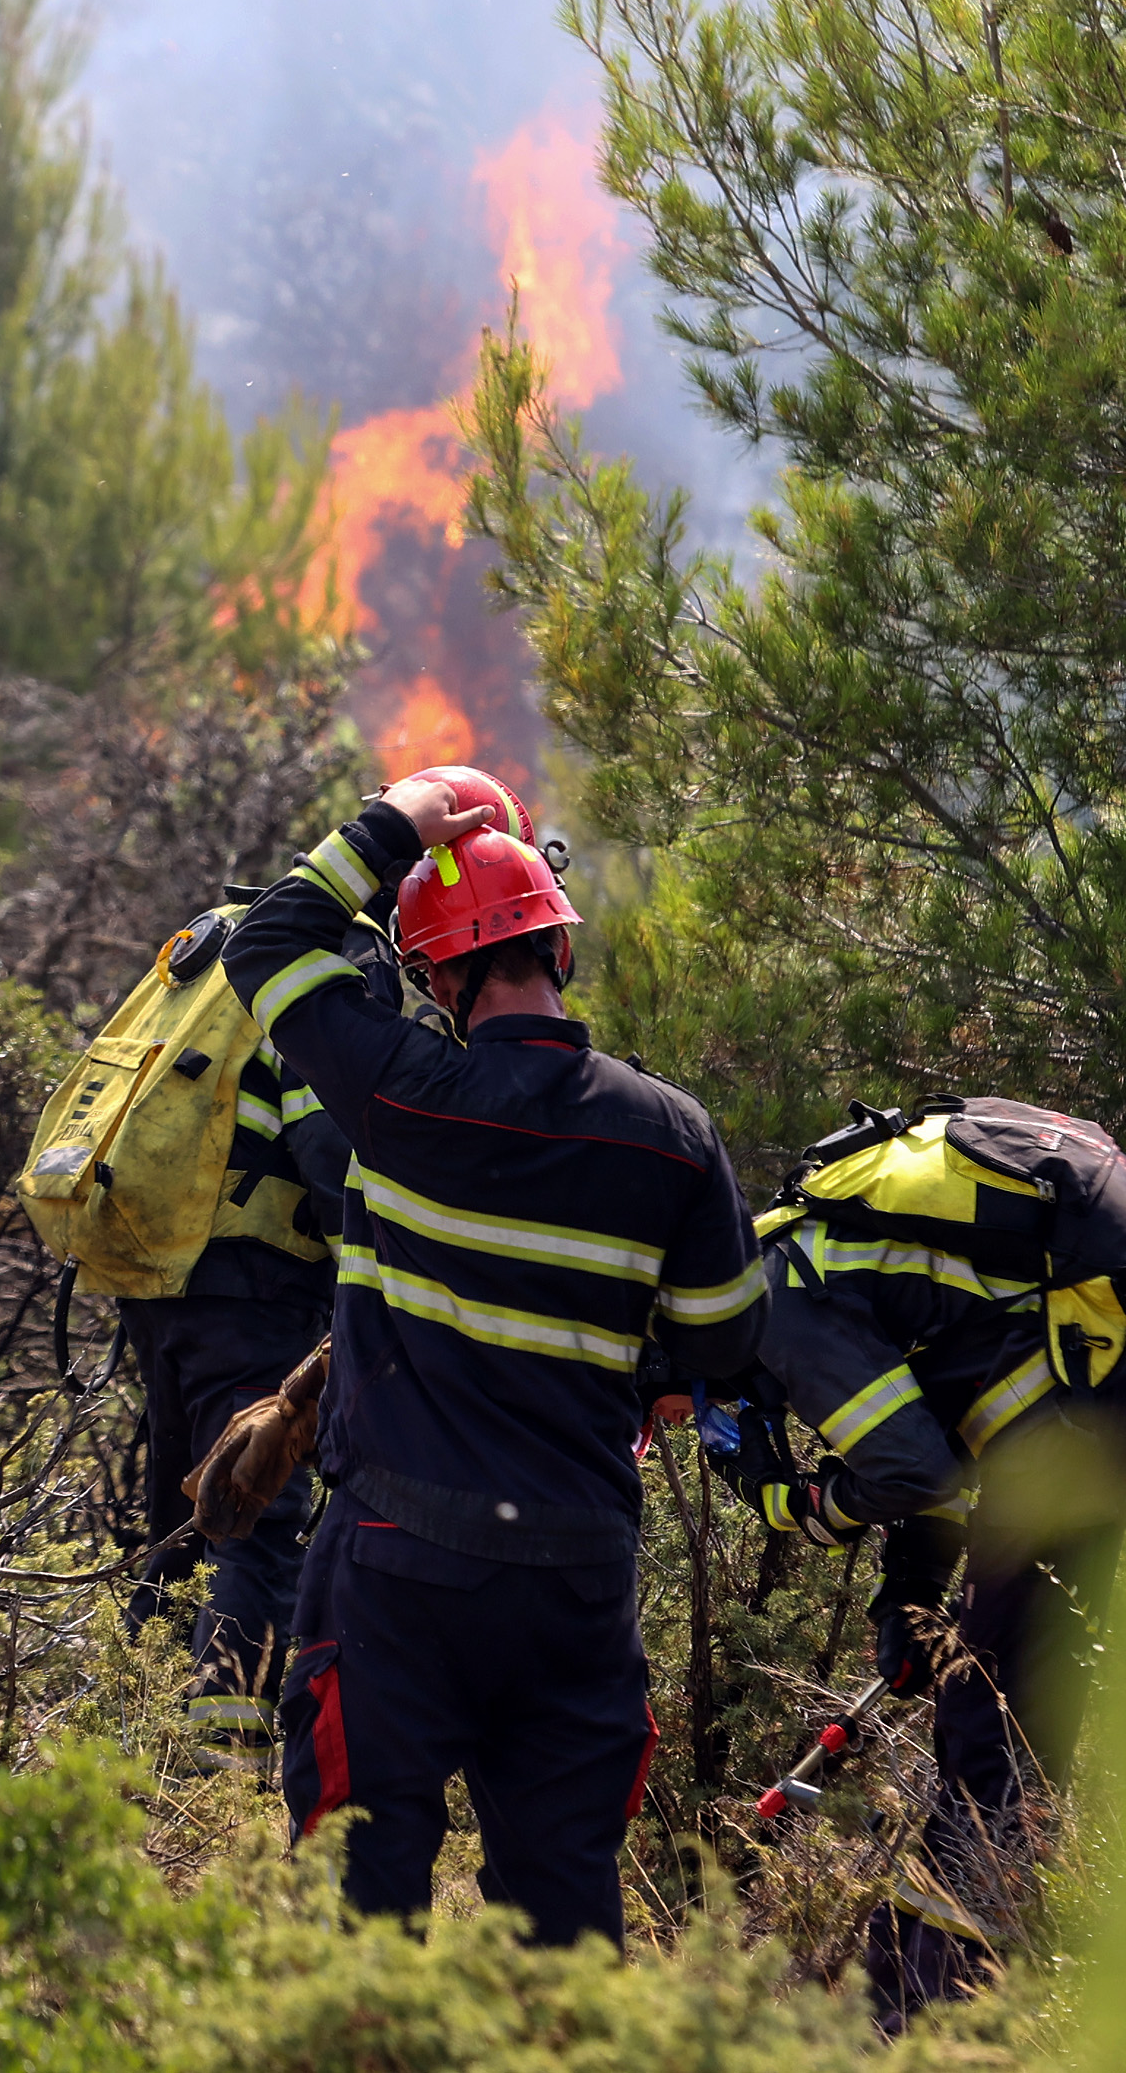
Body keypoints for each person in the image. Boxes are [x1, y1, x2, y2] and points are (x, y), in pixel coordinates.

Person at [224, 766, 765, 1949]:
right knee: (565, 1917)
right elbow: (726, 1333)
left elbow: (268, 944)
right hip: (574, 1573)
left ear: (439, 977)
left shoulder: (403, 1093)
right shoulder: (673, 1133)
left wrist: (393, 829)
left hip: (397, 1566)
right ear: (557, 956)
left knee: (363, 1893)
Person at [713, 1100, 1126, 2031]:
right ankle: (918, 1994)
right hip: (1091, 1401)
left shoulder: (776, 1289)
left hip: (1070, 1426)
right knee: (995, 1728)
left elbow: (911, 1467)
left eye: (701, 1417)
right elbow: (944, 1440)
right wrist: (912, 1596)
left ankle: (937, 2021)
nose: (716, 1434)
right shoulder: (807, 1253)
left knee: (995, 1737)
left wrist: (807, 1507)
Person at [119, 902, 392, 1779]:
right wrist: (373, 1295)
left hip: (166, 1273)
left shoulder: (237, 933)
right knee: (255, 1508)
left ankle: (133, 1722)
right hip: (256, 1281)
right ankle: (220, 1763)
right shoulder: (341, 958)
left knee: (184, 1506)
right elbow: (329, 1138)